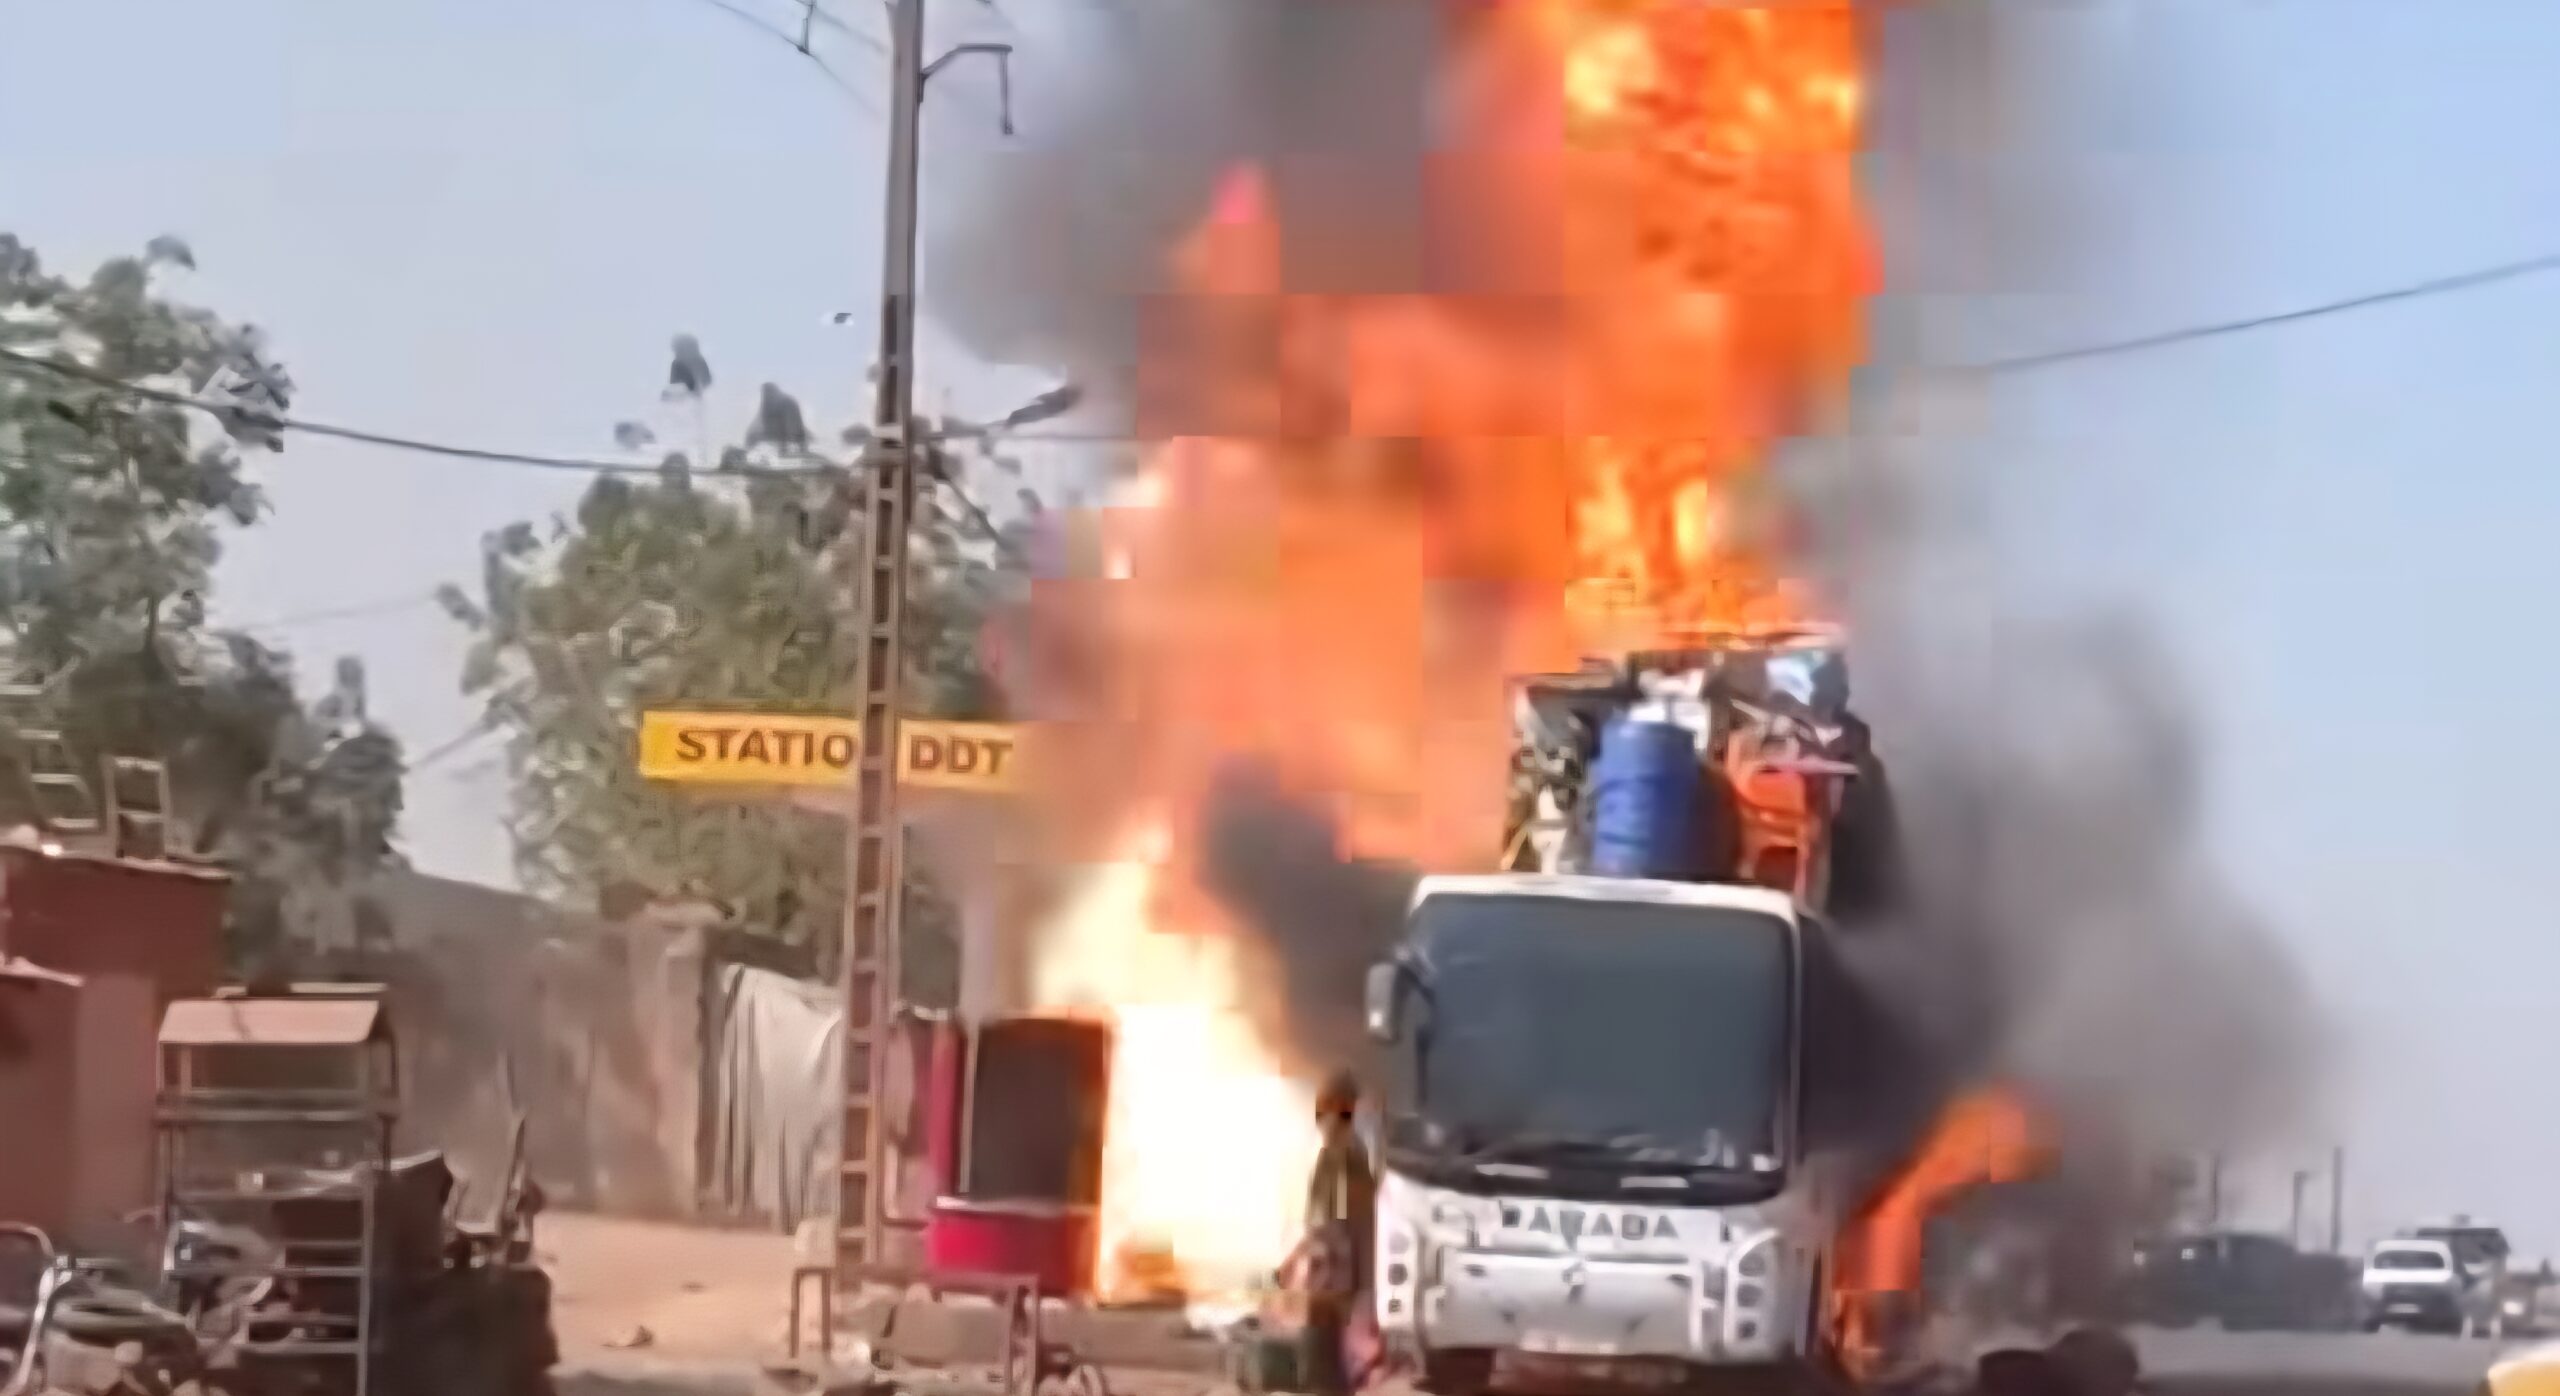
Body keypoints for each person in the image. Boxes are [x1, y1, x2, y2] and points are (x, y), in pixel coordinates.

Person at [1294, 1070, 1377, 1396]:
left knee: (1324, 1352)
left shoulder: (1346, 1156)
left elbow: (1344, 1222)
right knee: (1324, 1353)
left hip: (1335, 1273)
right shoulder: (1334, 1153)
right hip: (1330, 1270)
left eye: (1327, 1107)